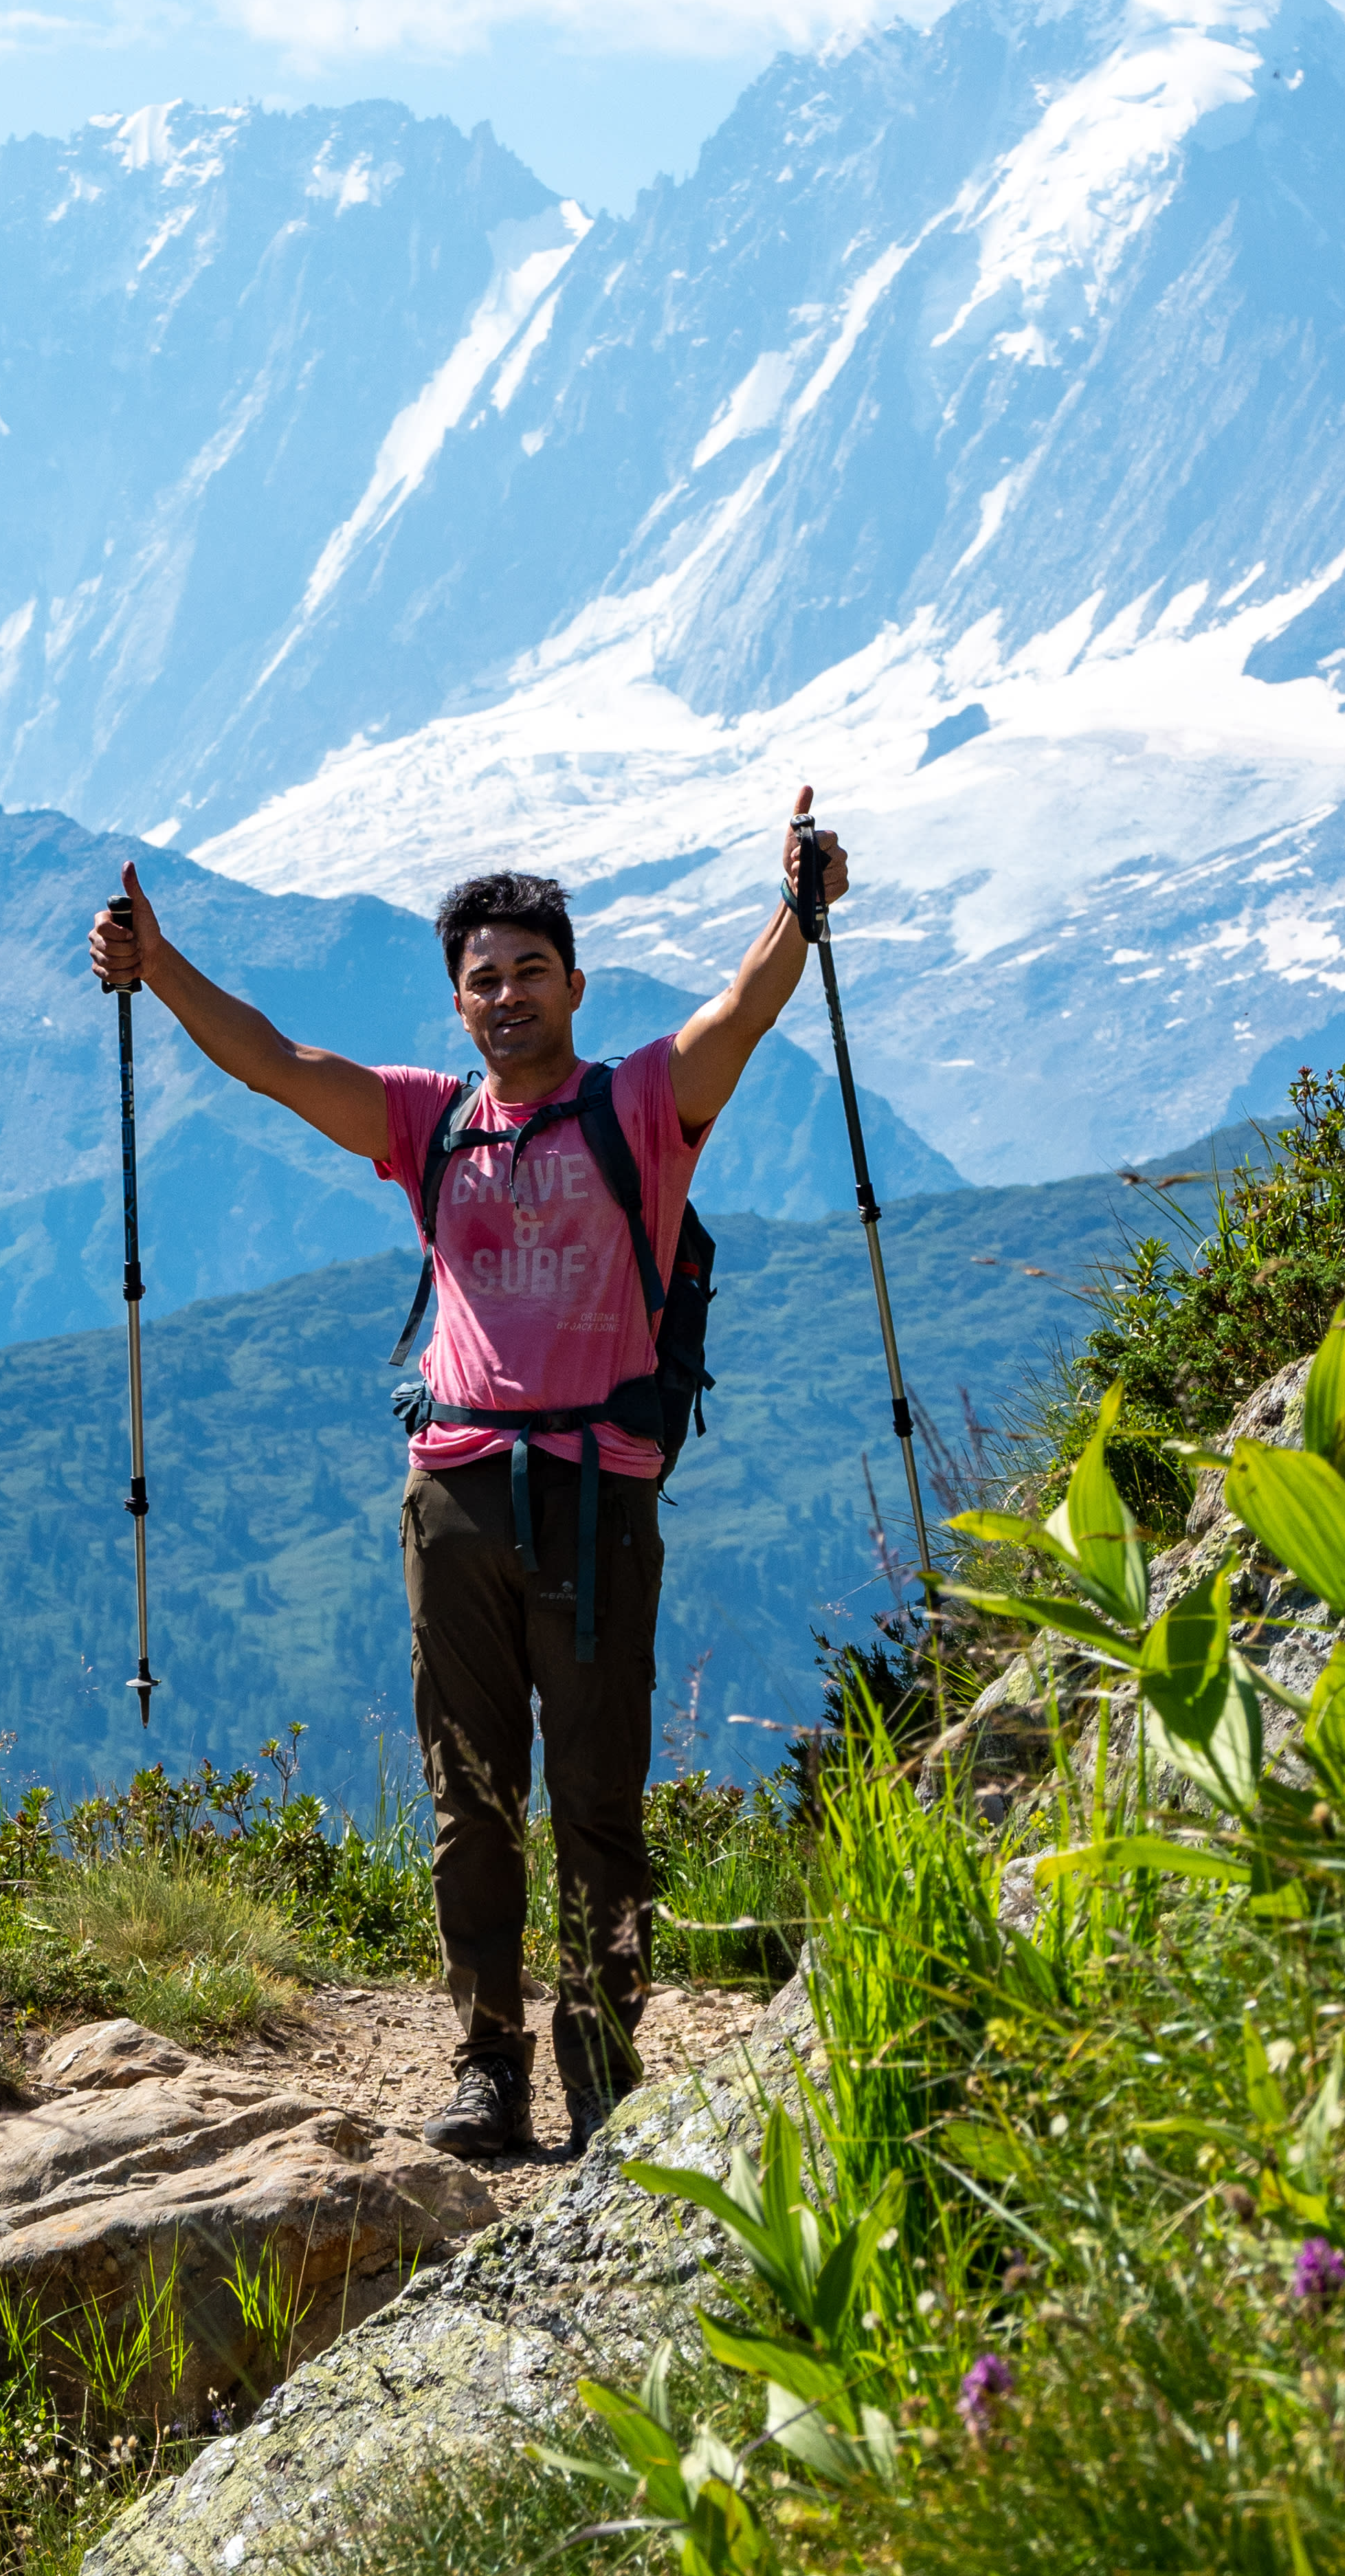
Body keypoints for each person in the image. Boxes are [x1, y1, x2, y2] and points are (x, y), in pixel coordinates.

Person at [85, 789, 849, 2159]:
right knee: (472, 1800)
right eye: (482, 979)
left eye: (528, 972)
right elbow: (272, 1058)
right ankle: (488, 2068)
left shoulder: (639, 1108)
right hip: (453, 1497)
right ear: (457, 1002)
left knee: (598, 1803)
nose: (506, 997)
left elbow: (742, 1010)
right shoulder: (430, 1124)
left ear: (573, 982)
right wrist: (161, 965)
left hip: (598, 1491)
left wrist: (800, 909)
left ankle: (604, 2074)